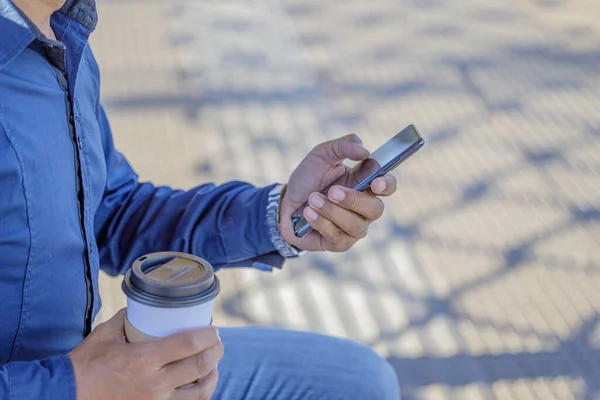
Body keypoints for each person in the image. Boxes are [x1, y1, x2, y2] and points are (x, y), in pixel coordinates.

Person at [0, 0, 401, 399]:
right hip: (66, 384)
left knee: (358, 382)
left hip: (97, 369)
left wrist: (278, 216)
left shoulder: (63, 34)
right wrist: (76, 386)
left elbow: (111, 212)